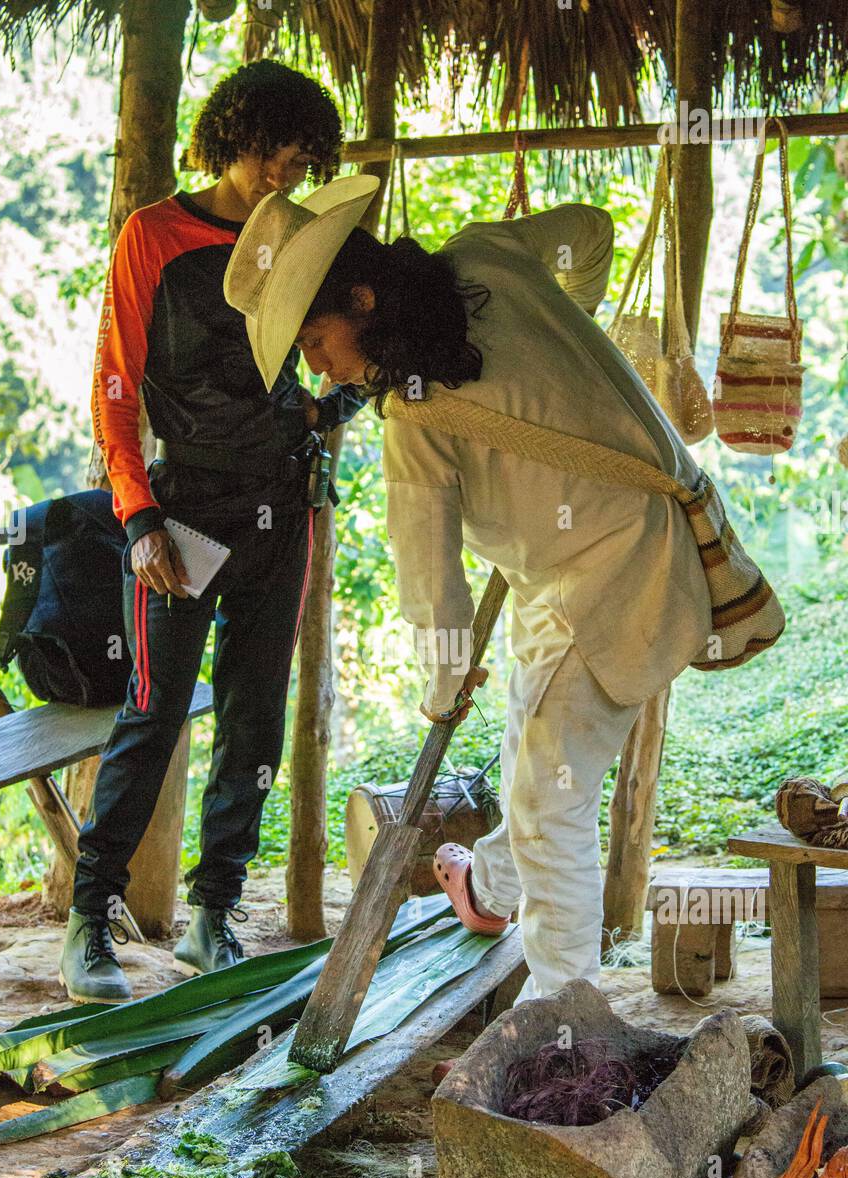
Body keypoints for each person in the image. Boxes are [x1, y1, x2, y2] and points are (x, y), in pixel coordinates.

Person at [234, 183, 714, 1004]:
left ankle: (563, 1016)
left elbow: (430, 575)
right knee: (528, 743)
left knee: (548, 799)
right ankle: (489, 887)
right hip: (583, 560)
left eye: (316, 339)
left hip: (610, 581)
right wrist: (564, 354)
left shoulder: (413, 420)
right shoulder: (487, 253)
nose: (317, 367)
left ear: (362, 299)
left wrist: (445, 680)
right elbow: (590, 231)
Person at [63, 62, 375, 1004]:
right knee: (152, 714)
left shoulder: (309, 244)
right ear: (238, 135)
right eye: (279, 151)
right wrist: (140, 518)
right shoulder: (153, 236)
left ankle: (213, 918)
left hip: (285, 507)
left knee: (253, 716)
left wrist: (336, 407)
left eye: (304, 158)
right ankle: (90, 923)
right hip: (183, 514)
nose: (290, 170)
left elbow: (340, 353)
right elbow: (115, 390)